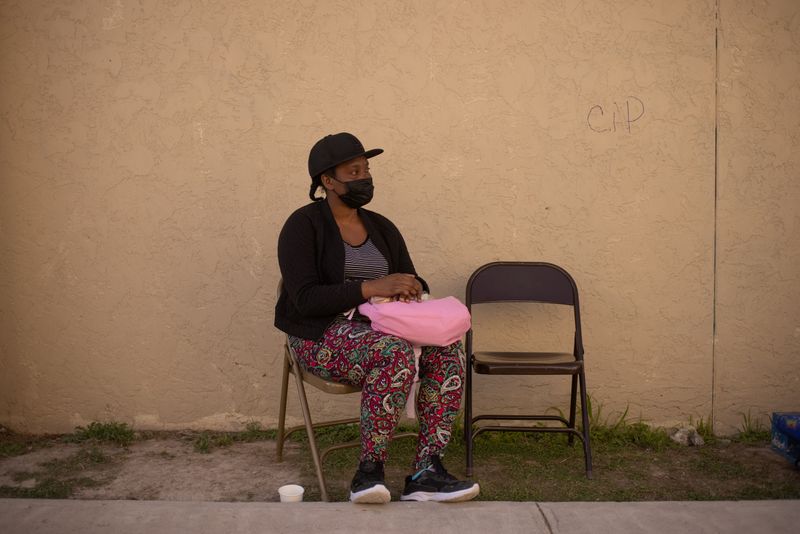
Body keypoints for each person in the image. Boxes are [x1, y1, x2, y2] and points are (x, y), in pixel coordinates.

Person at [275, 132, 479, 504]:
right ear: (328, 181)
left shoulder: (382, 227)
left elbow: (411, 279)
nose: (365, 178)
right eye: (354, 171)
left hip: (382, 328)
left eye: (366, 170)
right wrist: (367, 288)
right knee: (393, 352)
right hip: (317, 333)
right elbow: (303, 299)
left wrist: (409, 285)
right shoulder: (303, 225)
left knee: (447, 353)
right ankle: (369, 473)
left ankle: (426, 471)